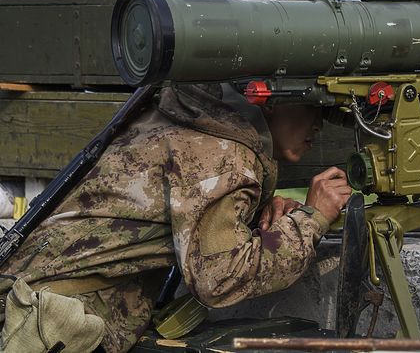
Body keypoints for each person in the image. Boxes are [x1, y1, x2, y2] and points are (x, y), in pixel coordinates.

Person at [0, 83, 351, 353]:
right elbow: (219, 279)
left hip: (38, 304)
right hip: (48, 324)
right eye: (313, 106)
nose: (319, 125)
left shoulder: (193, 121)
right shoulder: (224, 153)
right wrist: (312, 219)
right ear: (270, 100)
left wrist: (263, 211)